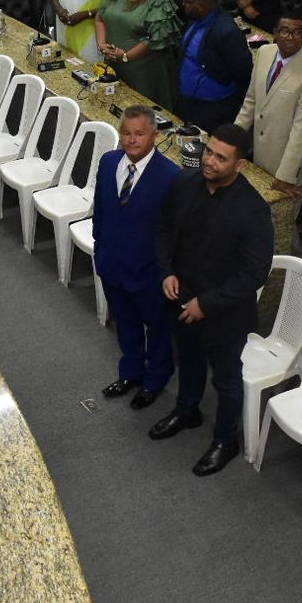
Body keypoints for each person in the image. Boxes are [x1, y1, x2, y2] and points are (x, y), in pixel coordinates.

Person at [151, 124, 273, 476]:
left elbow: (254, 274)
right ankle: (187, 410)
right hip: (181, 297)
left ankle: (225, 440)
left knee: (227, 380)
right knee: (187, 360)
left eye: (222, 157)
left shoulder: (253, 210)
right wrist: (165, 272)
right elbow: (163, 229)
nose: (210, 161)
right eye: (209, 151)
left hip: (224, 313)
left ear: (240, 165)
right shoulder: (185, 184)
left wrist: (206, 304)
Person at [94, 106, 181, 409]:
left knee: (157, 331)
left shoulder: (171, 177)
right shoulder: (107, 163)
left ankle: (155, 381)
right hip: (112, 267)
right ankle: (130, 372)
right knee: (126, 325)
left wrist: (165, 271)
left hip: (149, 274)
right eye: (126, 133)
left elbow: (174, 233)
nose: (131, 141)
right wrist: (99, 251)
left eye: (139, 134)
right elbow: (101, 212)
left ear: (155, 136)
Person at [235, 9, 302, 198]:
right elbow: (251, 101)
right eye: (285, 31)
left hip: (290, 168)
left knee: (281, 222)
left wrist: (286, 175)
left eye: (297, 32)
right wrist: (232, 139)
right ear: (275, 32)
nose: (290, 37)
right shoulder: (264, 52)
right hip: (260, 155)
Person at [96, 0, 181, 106]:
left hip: (143, 73)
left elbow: (154, 40)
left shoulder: (158, 0)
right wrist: (102, 45)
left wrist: (126, 55)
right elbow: (100, 17)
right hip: (115, 66)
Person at [176, 0, 252, 132]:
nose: (184, 4)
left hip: (212, 109)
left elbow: (244, 71)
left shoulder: (227, 31)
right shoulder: (194, 21)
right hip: (187, 102)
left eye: (188, 1)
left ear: (202, 4)